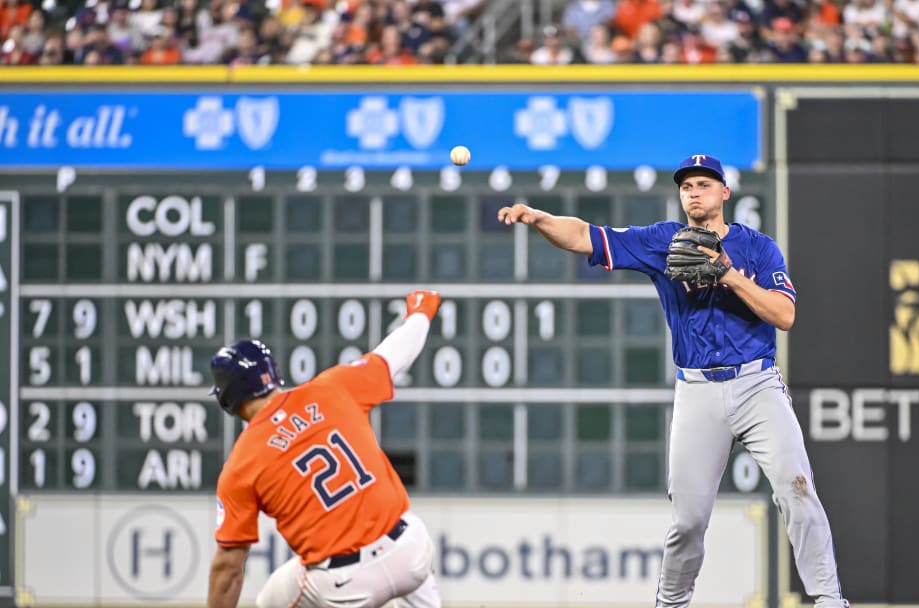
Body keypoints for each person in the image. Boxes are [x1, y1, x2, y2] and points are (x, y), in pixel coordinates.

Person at [497, 155, 848, 608]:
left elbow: (784, 314)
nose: (694, 192)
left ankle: (828, 599)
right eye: (687, 186)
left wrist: (727, 274)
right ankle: (671, 602)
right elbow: (586, 236)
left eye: (704, 184)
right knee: (688, 520)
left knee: (797, 486)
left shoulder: (758, 248)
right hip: (697, 389)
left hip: (757, 383)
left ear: (725, 192)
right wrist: (539, 218)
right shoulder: (663, 241)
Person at [207, 290, 444, 608]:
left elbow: (229, 568)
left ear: (227, 398)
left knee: (269, 601)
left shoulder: (240, 465)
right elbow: (395, 352)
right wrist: (421, 313)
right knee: (413, 541)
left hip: (345, 585)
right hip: (408, 550)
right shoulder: (333, 387)